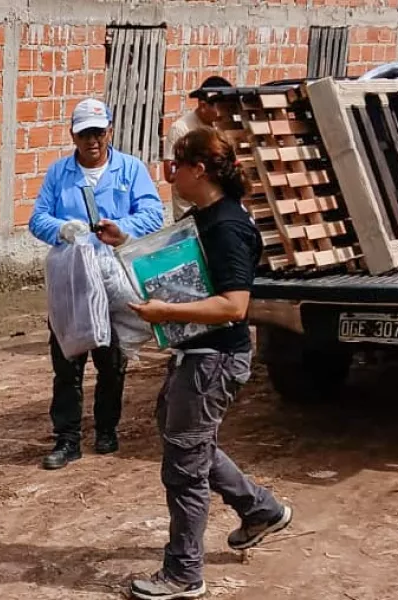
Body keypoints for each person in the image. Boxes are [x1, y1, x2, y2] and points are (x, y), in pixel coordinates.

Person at [99, 127, 293, 599]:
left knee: (185, 463)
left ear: (198, 170)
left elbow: (233, 306)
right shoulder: (206, 216)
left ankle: (184, 573)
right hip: (200, 354)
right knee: (184, 435)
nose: (170, 175)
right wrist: (125, 240)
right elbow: (181, 267)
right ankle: (261, 509)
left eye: (175, 166)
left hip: (215, 359)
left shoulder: (228, 225)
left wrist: (166, 312)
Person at [29, 98, 164, 470]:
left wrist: (125, 230)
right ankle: (67, 438)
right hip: (72, 276)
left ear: (110, 131)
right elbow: (37, 217)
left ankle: (107, 429)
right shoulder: (59, 173)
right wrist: (61, 229)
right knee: (68, 359)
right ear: (73, 135)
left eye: (98, 132)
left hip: (114, 273)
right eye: (84, 133)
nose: (93, 140)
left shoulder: (130, 170)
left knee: (111, 359)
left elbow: (153, 213)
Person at [163, 76, 232, 222]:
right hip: (188, 214)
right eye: (219, 107)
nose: (222, 112)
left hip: (217, 210)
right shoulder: (181, 129)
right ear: (203, 105)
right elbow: (170, 174)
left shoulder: (222, 126)